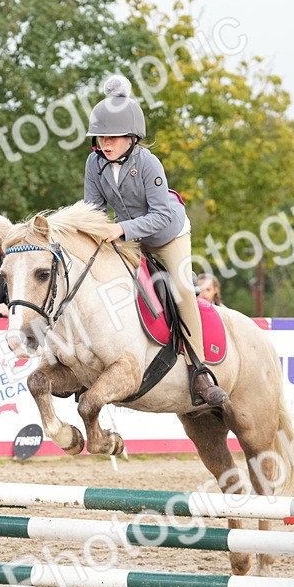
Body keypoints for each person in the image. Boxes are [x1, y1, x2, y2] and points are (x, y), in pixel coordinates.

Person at [82, 75, 225, 407]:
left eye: (113, 137)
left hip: (167, 234)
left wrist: (120, 229)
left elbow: (161, 215)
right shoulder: (94, 163)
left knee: (182, 290)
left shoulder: (148, 163)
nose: (105, 142)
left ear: (132, 137)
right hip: (129, 236)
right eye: (101, 136)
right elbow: (92, 209)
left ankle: (200, 372)